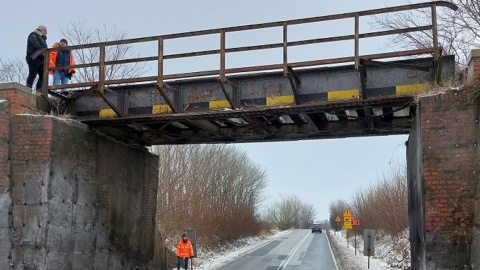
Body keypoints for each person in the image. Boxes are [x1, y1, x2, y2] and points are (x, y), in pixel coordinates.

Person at [26, 25, 48, 93]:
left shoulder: (43, 38)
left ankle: (39, 91)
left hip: (41, 58)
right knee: (33, 74)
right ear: (41, 30)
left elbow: (45, 48)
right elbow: (37, 46)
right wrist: (43, 50)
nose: (46, 33)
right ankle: (28, 89)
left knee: (43, 75)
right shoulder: (33, 35)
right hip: (34, 57)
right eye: (45, 31)